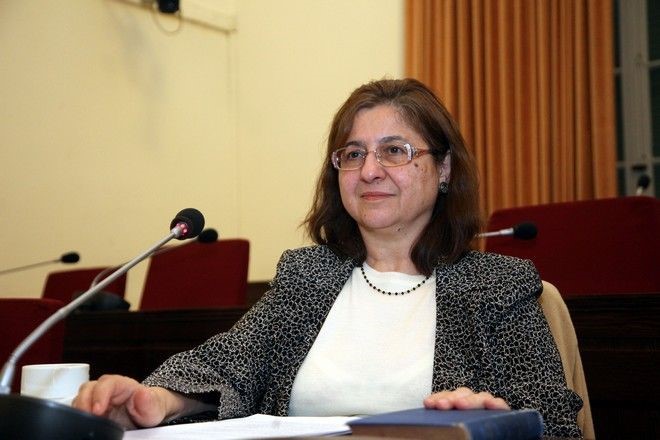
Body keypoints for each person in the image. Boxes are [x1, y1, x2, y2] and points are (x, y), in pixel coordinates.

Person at [73, 78, 583, 437]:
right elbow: (226, 365)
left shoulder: (497, 285)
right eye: (354, 154)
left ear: (444, 169)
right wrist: (153, 400)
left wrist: (496, 419)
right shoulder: (307, 276)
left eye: (395, 151)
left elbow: (556, 422)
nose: (369, 170)